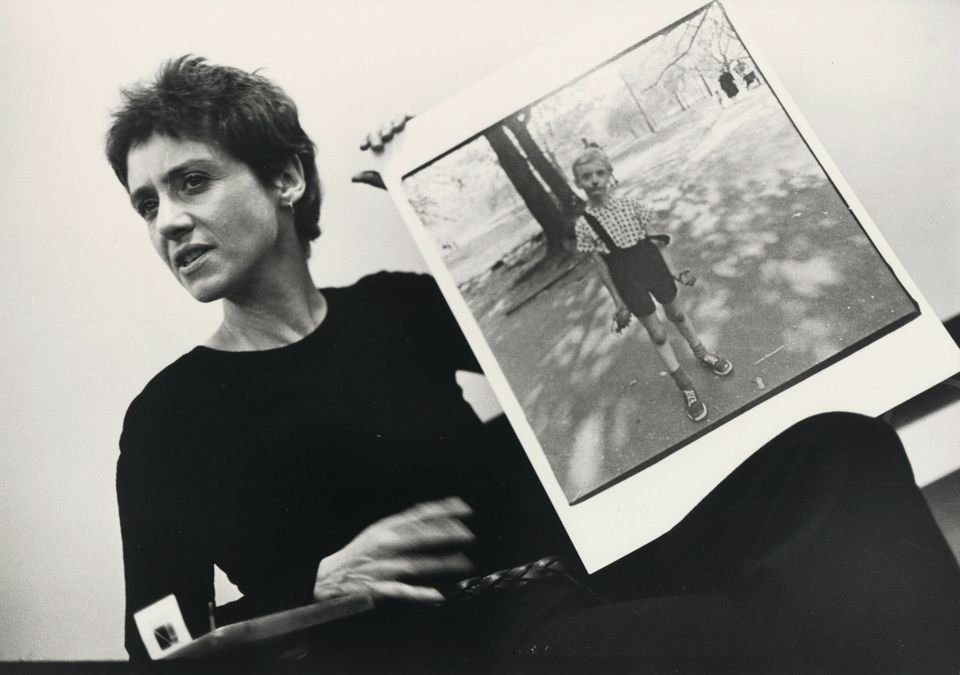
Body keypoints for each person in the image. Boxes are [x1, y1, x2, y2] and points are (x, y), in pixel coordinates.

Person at [109, 56, 960, 670]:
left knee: (840, 451)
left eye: (191, 182)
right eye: (147, 202)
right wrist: (316, 582)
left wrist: (419, 171)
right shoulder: (168, 419)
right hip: (474, 645)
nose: (166, 222)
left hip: (586, 570)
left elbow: (526, 385)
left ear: (286, 178)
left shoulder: (398, 306)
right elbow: (157, 640)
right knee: (755, 634)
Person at [572, 146, 732, 422]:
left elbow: (656, 242)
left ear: (610, 174)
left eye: (600, 173)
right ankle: (685, 385)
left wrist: (674, 272)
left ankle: (702, 354)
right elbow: (602, 267)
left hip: (650, 263)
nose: (595, 180)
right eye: (587, 176)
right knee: (657, 333)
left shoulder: (631, 205)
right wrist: (618, 302)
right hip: (624, 275)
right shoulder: (584, 225)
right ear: (578, 183)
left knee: (677, 313)